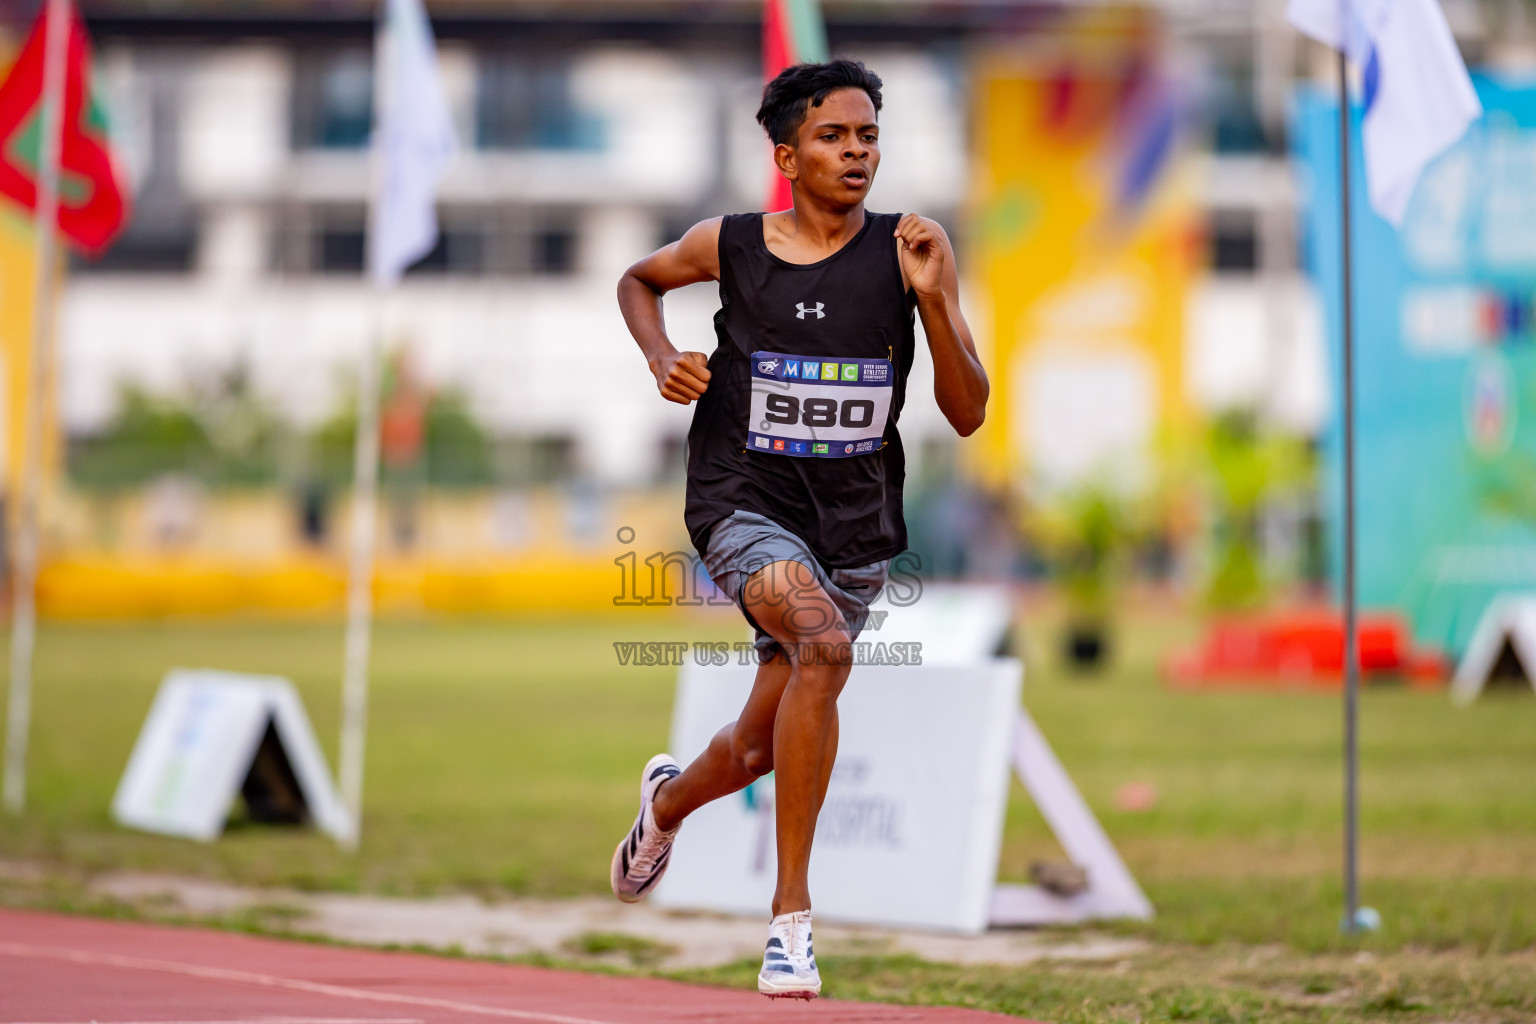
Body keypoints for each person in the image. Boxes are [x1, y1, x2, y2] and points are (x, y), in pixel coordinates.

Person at [611, 58, 988, 1000]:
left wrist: (937, 298)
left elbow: (970, 411)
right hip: (742, 500)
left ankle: (663, 808)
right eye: (833, 136)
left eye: (867, 137)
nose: (855, 152)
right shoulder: (732, 243)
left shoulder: (906, 252)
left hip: (855, 523)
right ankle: (790, 923)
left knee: (753, 745)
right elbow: (636, 280)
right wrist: (663, 357)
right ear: (786, 154)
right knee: (821, 647)